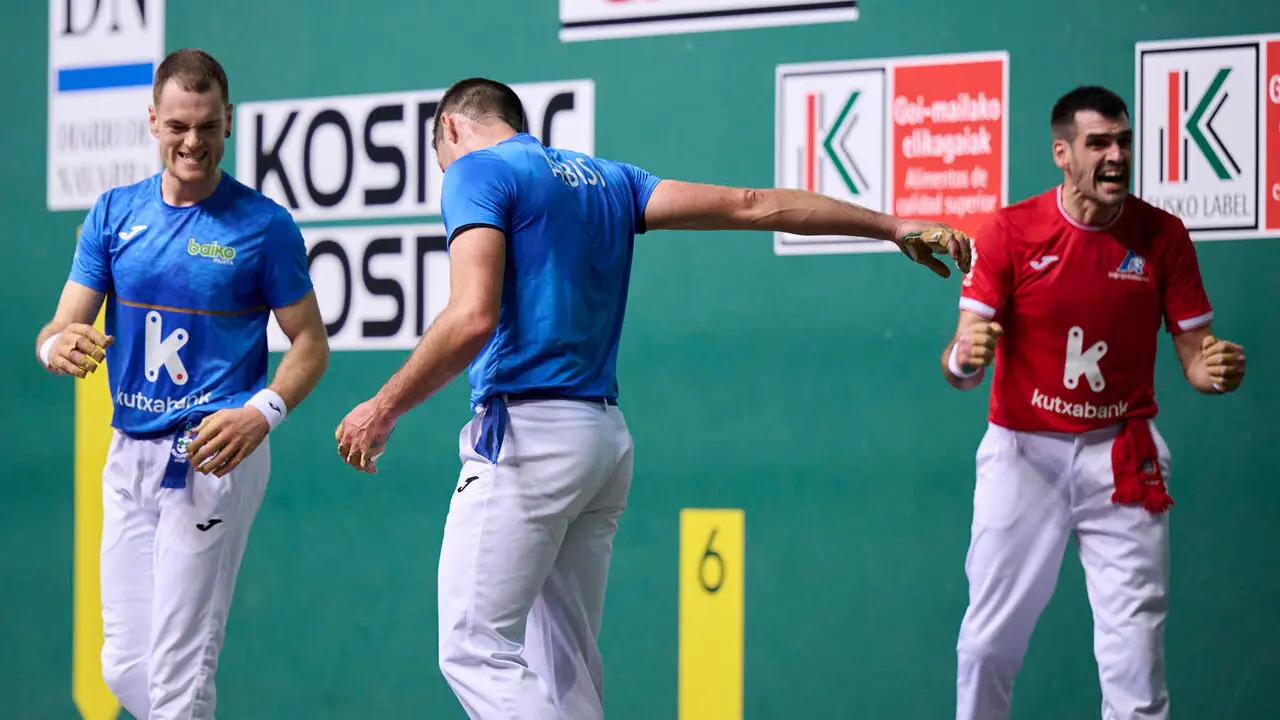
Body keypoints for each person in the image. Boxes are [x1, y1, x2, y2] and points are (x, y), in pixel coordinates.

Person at [332, 77, 972, 720]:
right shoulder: (609, 179)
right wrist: (890, 224)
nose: (446, 171)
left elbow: (472, 316)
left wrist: (383, 406)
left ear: (450, 128)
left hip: (529, 438)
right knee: (567, 666)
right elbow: (751, 204)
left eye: (440, 158)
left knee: (473, 648)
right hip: (602, 442)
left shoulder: (474, 170)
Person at [34, 49, 329, 719]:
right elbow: (59, 326)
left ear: (227, 121)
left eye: (207, 126)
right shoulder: (113, 215)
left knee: (176, 672)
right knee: (124, 666)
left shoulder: (265, 226)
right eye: (177, 126)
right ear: (152, 122)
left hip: (213, 456)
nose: (192, 142)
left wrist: (264, 413)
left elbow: (310, 343)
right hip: (128, 455)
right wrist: (58, 346)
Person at [941, 85, 1246, 720]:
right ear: (1062, 153)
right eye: (1098, 143)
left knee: (1135, 656)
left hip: (1122, 460)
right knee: (987, 642)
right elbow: (963, 361)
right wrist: (966, 360)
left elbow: (1196, 355)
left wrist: (1216, 368)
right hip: (1023, 456)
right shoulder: (1009, 232)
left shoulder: (1162, 236)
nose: (1116, 156)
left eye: (1125, 142)